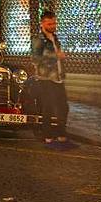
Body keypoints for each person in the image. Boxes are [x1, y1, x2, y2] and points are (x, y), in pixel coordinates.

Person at [31, 10, 72, 147]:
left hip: (58, 77)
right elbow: (35, 59)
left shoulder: (55, 38)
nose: (53, 25)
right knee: (48, 107)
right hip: (46, 78)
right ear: (42, 24)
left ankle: (61, 134)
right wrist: (56, 56)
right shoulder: (39, 39)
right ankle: (47, 135)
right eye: (50, 23)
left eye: (54, 23)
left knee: (63, 107)